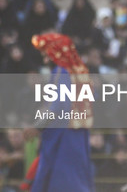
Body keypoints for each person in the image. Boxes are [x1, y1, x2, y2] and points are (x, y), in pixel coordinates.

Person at [26, 33, 94, 192]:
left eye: (46, 54)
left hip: (62, 137)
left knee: (61, 183)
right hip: (79, 135)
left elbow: (56, 106)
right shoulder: (80, 70)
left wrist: (37, 127)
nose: (44, 59)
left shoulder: (62, 72)